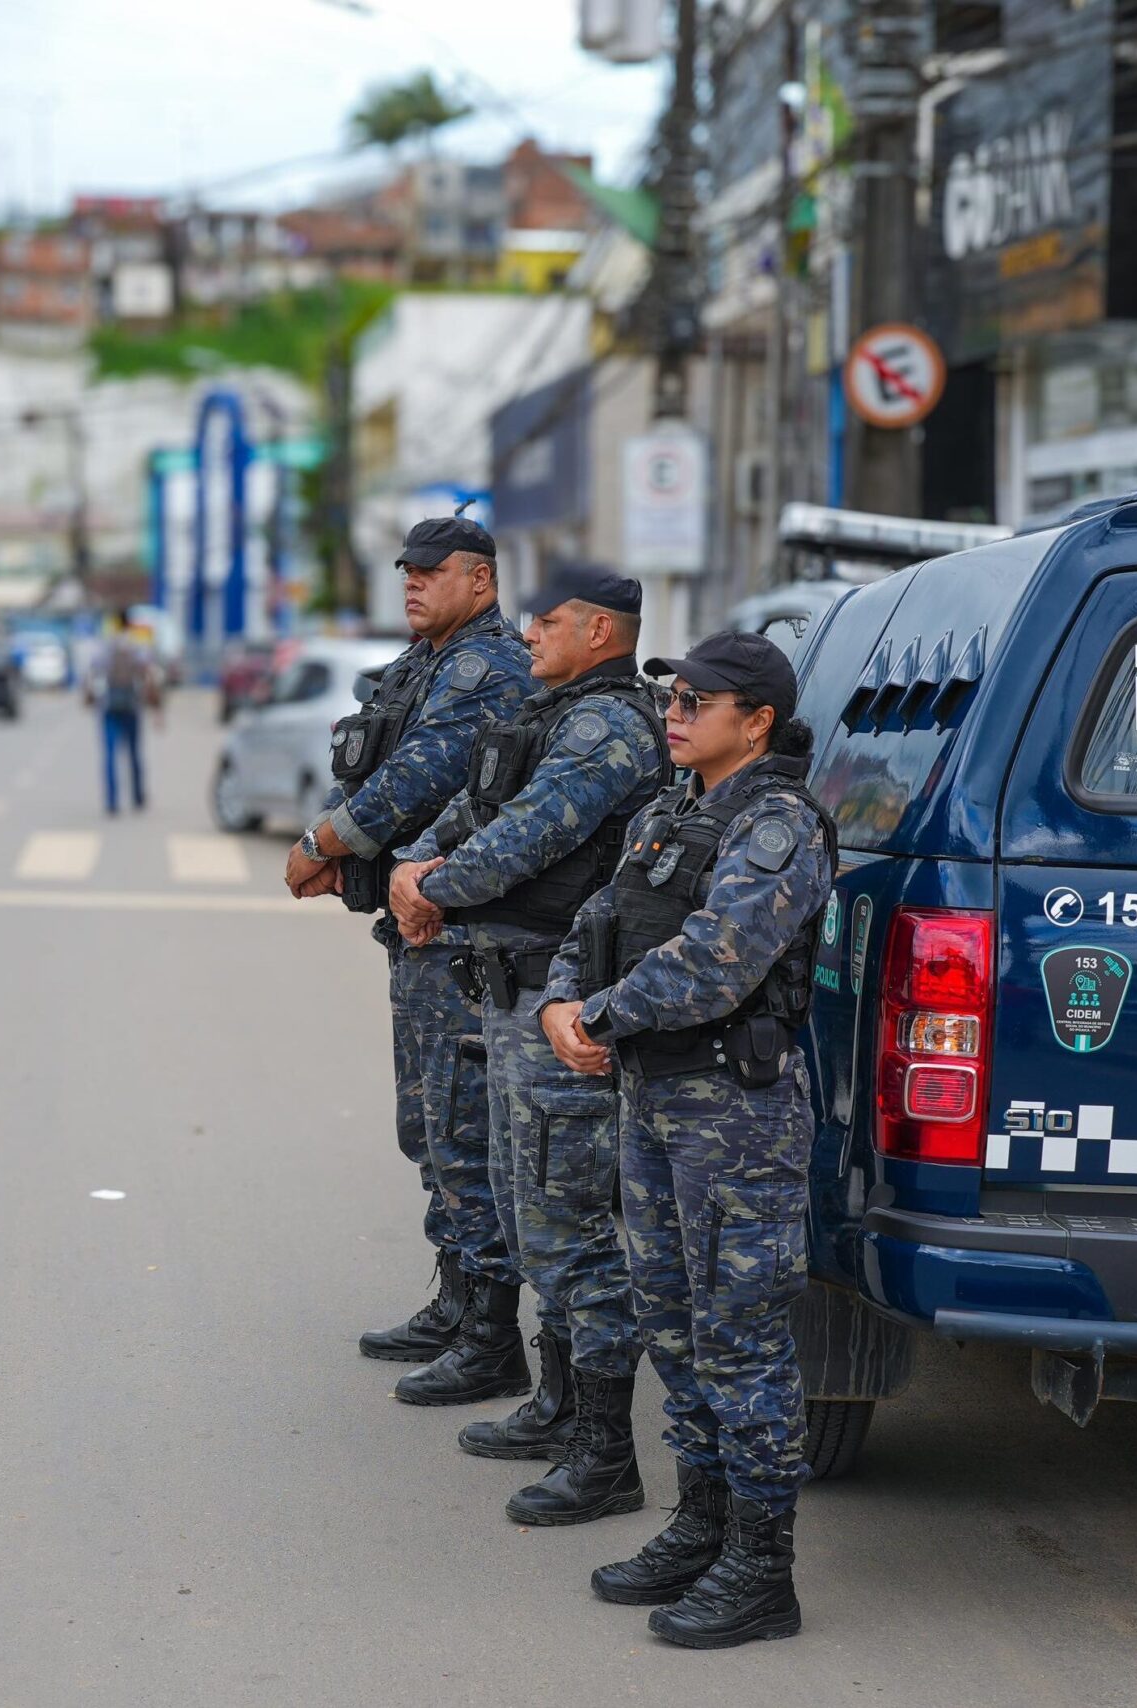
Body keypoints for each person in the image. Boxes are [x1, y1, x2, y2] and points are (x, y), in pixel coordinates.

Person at [539, 630, 837, 1649]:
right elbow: (594, 921)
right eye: (672, 696)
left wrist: (600, 1018)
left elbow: (718, 961)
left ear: (754, 721)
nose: (673, 711)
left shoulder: (779, 826)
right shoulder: (672, 813)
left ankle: (762, 1568)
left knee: (740, 1339)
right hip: (653, 1099)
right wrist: (561, 1001)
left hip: (733, 1115)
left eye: (696, 701)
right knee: (672, 1325)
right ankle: (701, 1525)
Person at [386, 564, 668, 1519]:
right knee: (527, 1206)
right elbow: (484, 811)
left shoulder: (607, 725)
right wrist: (416, 870)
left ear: (599, 633)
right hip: (512, 994)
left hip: (561, 999)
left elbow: (531, 840)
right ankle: (556, 1404)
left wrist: (433, 886)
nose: (530, 634)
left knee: (568, 1223)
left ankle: (605, 1458)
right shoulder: (554, 713)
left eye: (548, 622)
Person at [282, 514, 534, 1400]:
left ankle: (492, 1335)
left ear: (483, 581)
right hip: (419, 931)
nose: (414, 583)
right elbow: (365, 763)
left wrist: (324, 840)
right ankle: (458, 1301)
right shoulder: (424, 663)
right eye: (408, 572)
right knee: (426, 1129)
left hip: (465, 932)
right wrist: (337, 837)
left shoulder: (488, 667)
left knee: (463, 1131)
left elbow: (417, 778)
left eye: (433, 571)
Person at [91, 619, 162, 816]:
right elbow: (149, 677)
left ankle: (112, 801)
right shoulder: (137, 649)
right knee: (134, 754)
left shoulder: (105, 648)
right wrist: (157, 710)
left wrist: (90, 698)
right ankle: (138, 797)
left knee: (110, 755)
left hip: (109, 707)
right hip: (132, 707)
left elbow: (92, 674)